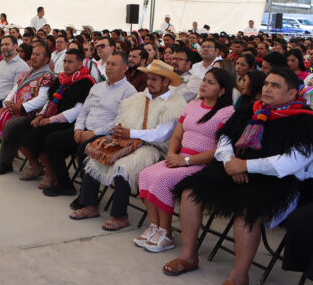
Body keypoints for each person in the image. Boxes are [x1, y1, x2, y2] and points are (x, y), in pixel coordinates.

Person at [166, 67, 313, 283]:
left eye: (275, 85)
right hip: (236, 168)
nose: (267, 89)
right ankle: (189, 256)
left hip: (280, 182)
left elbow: (293, 162)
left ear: (292, 94)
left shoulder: (305, 121)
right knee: (190, 191)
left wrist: (245, 166)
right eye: (266, 84)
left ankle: (239, 276)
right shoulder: (250, 110)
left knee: (248, 208)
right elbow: (225, 139)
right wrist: (230, 163)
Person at [70, 60, 186, 231]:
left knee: (123, 167)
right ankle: (90, 206)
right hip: (128, 141)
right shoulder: (138, 98)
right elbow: (122, 119)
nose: (149, 82)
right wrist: (118, 130)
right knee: (95, 159)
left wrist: (130, 133)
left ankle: (120, 216)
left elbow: (161, 135)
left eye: (154, 79)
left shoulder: (174, 105)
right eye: (149, 78)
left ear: (166, 82)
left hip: (152, 148)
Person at [135, 68, 235, 253]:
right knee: (146, 175)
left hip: (203, 163)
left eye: (211, 82)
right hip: (181, 157)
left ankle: (167, 233)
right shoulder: (193, 105)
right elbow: (177, 135)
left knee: (161, 180)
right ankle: (155, 226)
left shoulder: (226, 112)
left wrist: (186, 160)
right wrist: (172, 155)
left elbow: (220, 150)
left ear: (222, 90)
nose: (204, 84)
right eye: (204, 80)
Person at [43, 51, 137, 204]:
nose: (109, 68)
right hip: (85, 129)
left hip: (106, 135)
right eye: (108, 64)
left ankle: (86, 197)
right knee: (52, 140)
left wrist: (94, 133)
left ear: (125, 68)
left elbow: (119, 121)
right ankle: (64, 183)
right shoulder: (97, 87)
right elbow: (84, 111)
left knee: (84, 149)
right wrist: (78, 129)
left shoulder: (129, 91)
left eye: (114, 64)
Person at [0, 42, 53, 174]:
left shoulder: (47, 76)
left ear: (46, 59)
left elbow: (42, 99)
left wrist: (22, 107)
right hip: (14, 108)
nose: (34, 57)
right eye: (33, 54)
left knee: (10, 124)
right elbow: (15, 89)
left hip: (30, 114)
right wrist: (7, 104)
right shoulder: (27, 73)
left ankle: (5, 162)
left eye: (38, 55)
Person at [19, 48, 95, 188]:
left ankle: (50, 172)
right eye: (65, 61)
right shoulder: (61, 79)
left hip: (69, 123)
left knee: (41, 135)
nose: (66, 65)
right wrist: (41, 115)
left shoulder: (86, 82)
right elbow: (50, 100)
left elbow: (78, 110)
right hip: (52, 117)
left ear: (80, 64)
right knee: (21, 128)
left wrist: (50, 120)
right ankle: (36, 166)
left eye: (70, 62)